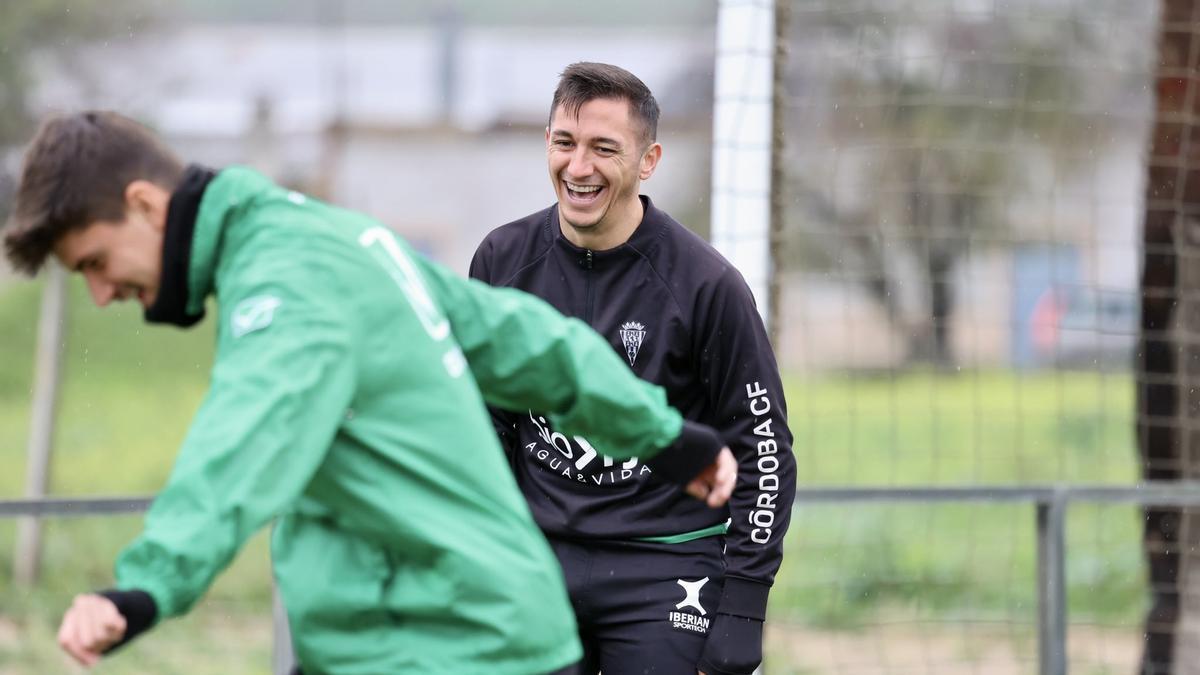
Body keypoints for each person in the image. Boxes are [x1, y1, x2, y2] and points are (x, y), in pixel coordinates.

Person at [2, 110, 739, 674]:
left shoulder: (286, 286)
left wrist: (144, 587)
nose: (100, 294)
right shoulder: (334, 240)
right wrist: (664, 435)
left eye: (95, 261)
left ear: (145, 204)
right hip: (444, 630)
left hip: (449, 642)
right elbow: (523, 341)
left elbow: (248, 435)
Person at [470, 62, 797, 675]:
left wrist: (743, 609)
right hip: (539, 562)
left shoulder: (707, 285)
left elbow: (764, 449)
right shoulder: (500, 262)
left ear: (648, 161)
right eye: (565, 144)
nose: (579, 167)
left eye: (604, 148)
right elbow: (483, 429)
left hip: (666, 569)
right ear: (547, 144)